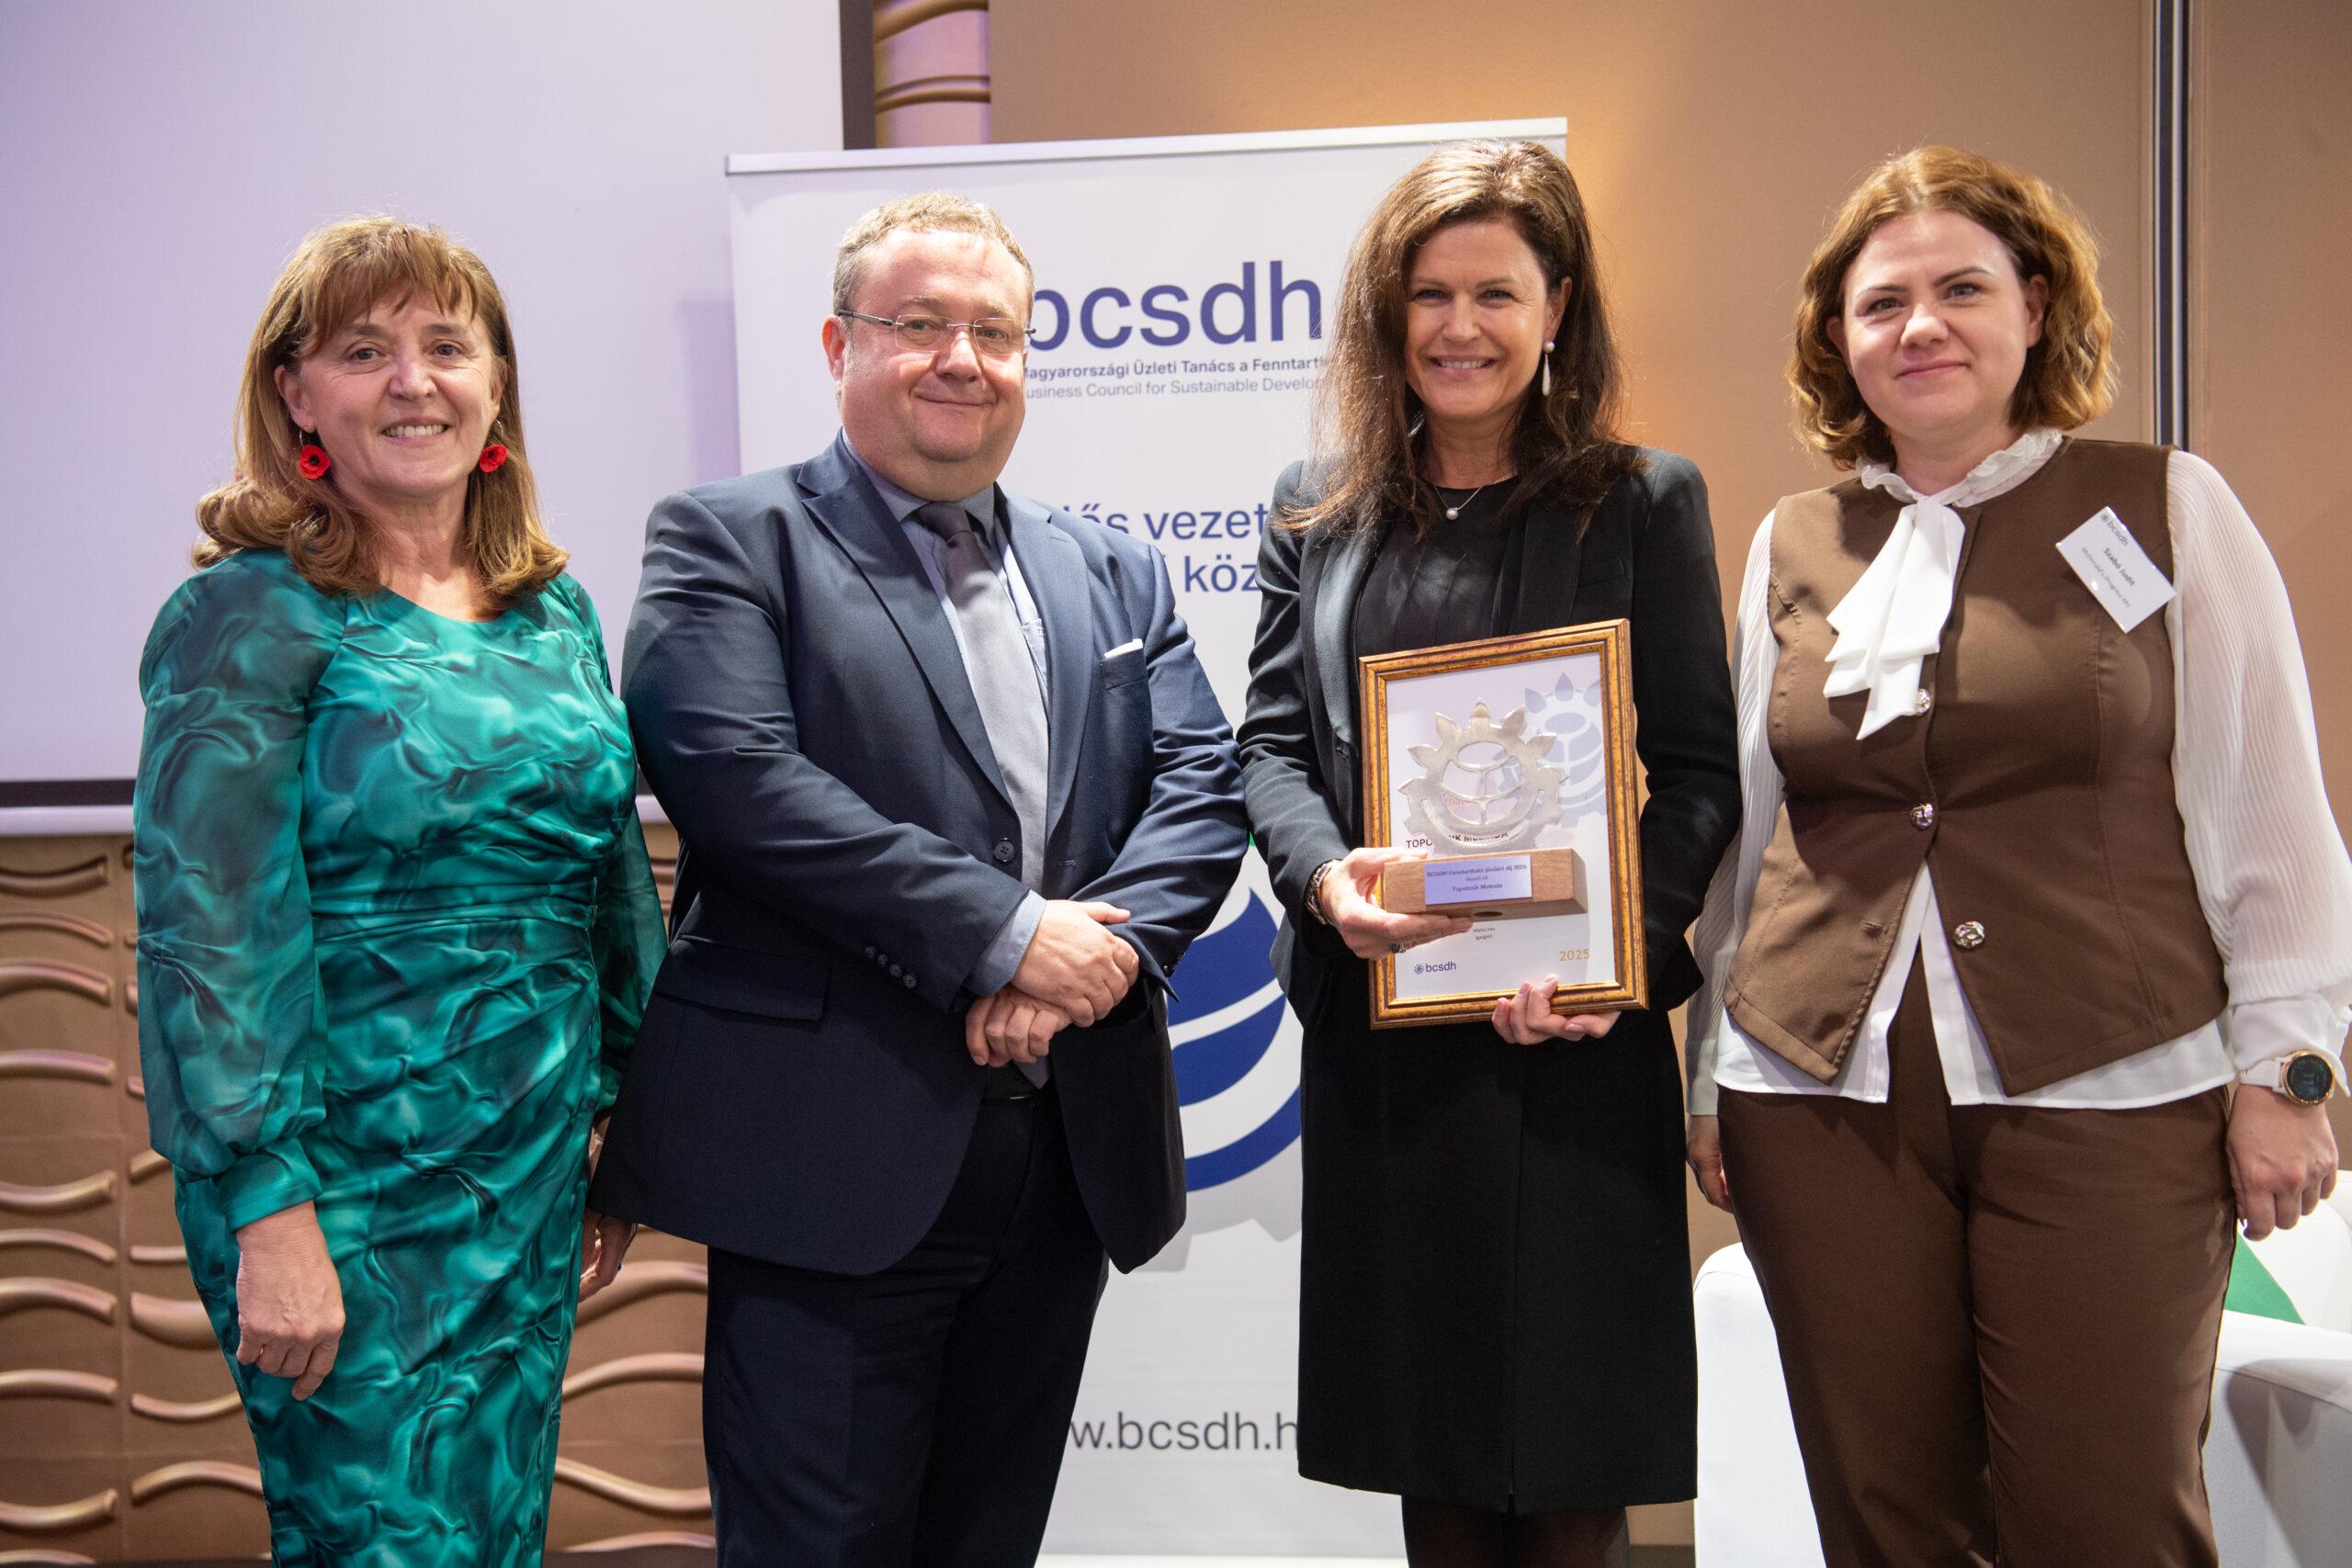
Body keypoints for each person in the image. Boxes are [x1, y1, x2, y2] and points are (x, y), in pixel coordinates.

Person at [1683, 144, 2352, 1566]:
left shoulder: (2168, 505)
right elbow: (1749, 832)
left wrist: (2288, 1071)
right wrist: (1706, 1077)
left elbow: (2269, 813)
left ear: (2035, 309)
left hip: (2114, 1086)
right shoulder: (1795, 541)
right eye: (1882, 303)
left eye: (1962, 290)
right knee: (1884, 1518)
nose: (1920, 326)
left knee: (2108, 1518)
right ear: (1839, 339)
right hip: (1819, 1099)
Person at [585, 191, 1247, 1567]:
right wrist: (1006, 935)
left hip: (1062, 1158)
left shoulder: (1110, 565)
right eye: (921, 325)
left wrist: (1088, 965)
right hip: (828, 1164)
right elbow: (738, 782)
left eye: (995, 331)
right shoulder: (729, 537)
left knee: (988, 1543)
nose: (963, 358)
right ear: (840, 345)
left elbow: (1204, 779)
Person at [132, 215, 665, 1565]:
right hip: (342, 1181)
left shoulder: (552, 612)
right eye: (365, 351)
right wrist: (269, 1209)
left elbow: (606, 878)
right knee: (384, 1536)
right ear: (296, 396)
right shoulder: (247, 614)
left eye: (446, 346)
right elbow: (209, 935)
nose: (413, 381)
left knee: (494, 1526)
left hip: (528, 1160)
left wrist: (631, 1115)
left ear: (496, 387)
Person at [1238, 141, 1740, 1568]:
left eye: (1497, 294)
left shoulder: (1641, 499)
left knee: (1575, 1455)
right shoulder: (1316, 507)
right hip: (1386, 1033)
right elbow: (1269, 747)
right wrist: (1326, 880)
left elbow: (1699, 772)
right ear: (1385, 313)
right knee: (1433, 1449)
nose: (1460, 327)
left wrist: (1610, 961)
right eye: (1429, 294)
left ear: (1557, 307)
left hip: (1575, 1043)